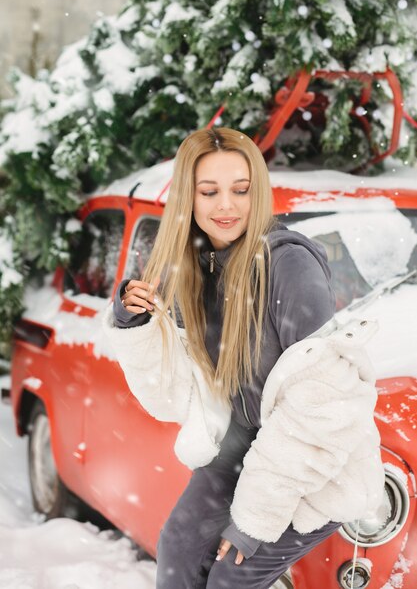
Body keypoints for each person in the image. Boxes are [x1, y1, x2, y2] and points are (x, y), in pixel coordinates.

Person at [102, 127, 385, 588]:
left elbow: (323, 408)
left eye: (241, 190)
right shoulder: (197, 268)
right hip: (244, 447)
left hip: (317, 465)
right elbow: (173, 396)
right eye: (209, 191)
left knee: (229, 579)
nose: (226, 206)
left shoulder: (288, 267)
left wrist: (254, 520)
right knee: (178, 549)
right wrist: (134, 324)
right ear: (187, 200)